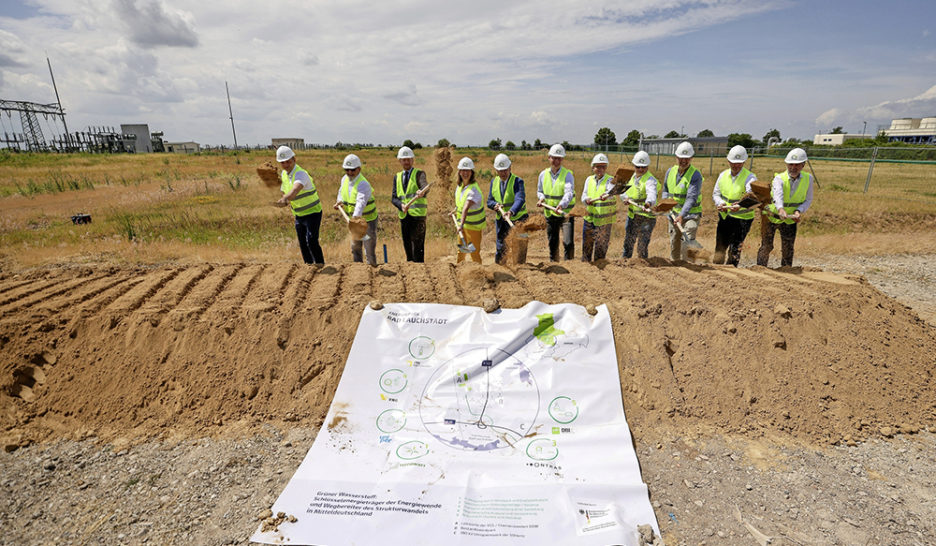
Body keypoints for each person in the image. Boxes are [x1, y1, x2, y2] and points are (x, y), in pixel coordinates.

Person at [757, 148, 814, 267]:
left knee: (788, 248)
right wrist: (780, 209)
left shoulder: (808, 179)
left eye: (797, 165)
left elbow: (808, 199)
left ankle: (787, 271)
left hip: (790, 219)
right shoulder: (779, 178)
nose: (793, 167)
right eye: (790, 164)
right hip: (771, 216)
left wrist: (799, 211)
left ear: (803, 165)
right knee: (767, 246)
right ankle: (760, 269)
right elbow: (778, 195)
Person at [273, 145, 324, 264]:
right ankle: (309, 266)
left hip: (313, 212)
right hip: (299, 214)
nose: (286, 165)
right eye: (282, 162)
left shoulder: (301, 174)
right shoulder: (284, 174)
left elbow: (295, 190)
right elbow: (285, 191)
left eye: (288, 161)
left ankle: (320, 264)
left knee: (311, 241)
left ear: (294, 159)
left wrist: (285, 198)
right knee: (303, 244)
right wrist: (284, 199)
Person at [712, 145, 757, 266]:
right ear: (728, 161)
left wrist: (740, 205)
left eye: (739, 163)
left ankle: (731, 270)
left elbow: (752, 197)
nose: (736, 165)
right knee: (720, 247)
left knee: (735, 249)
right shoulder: (723, 175)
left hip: (743, 220)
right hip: (725, 217)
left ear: (744, 162)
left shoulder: (750, 178)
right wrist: (720, 203)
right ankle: (716, 268)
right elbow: (716, 194)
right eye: (733, 162)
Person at [662, 141, 704, 261]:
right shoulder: (670, 172)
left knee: (687, 241)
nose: (684, 161)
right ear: (676, 157)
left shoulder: (695, 175)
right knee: (674, 242)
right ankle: (675, 265)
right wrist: (665, 204)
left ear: (691, 158)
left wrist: (681, 215)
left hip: (691, 215)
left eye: (687, 158)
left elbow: (691, 198)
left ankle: (688, 265)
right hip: (673, 214)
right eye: (681, 158)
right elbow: (665, 190)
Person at [334, 153, 378, 265]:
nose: (349, 172)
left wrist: (355, 219)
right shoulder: (344, 179)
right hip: (354, 221)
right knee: (355, 247)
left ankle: (371, 270)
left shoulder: (363, 184)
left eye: (352, 170)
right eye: (347, 170)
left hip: (367, 221)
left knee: (369, 249)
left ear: (359, 169)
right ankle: (358, 270)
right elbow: (341, 192)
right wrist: (339, 201)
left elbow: (360, 203)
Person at [486, 153, 528, 264]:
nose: (503, 173)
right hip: (501, 221)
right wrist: (494, 205)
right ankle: (500, 266)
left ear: (510, 168)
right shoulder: (494, 182)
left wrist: (511, 212)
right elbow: (489, 201)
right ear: (496, 170)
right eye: (500, 171)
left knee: (520, 245)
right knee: (501, 246)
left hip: (519, 219)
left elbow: (520, 199)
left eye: (505, 170)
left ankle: (520, 268)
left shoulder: (517, 181)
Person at [536, 144, 576, 261]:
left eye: (559, 158)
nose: (556, 161)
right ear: (549, 158)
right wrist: (541, 198)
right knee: (552, 242)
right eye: (554, 158)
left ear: (562, 159)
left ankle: (570, 263)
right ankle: (554, 264)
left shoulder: (567, 174)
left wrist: (562, 205)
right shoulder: (543, 174)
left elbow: (569, 192)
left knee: (568, 242)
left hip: (565, 214)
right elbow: (540, 191)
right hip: (550, 214)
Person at [391, 146, 429, 262]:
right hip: (404, 216)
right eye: (404, 160)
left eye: (408, 159)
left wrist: (422, 191)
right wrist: (401, 205)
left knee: (418, 248)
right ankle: (410, 269)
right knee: (407, 246)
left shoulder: (419, 174)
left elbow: (425, 186)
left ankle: (419, 269)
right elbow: (394, 198)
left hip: (418, 217)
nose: (406, 162)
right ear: (400, 161)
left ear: (413, 160)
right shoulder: (397, 177)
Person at [621, 150, 658, 259]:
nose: (641, 169)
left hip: (647, 218)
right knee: (628, 242)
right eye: (638, 167)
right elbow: (622, 191)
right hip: (633, 216)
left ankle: (643, 265)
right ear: (634, 166)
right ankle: (625, 262)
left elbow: (652, 193)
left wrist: (648, 203)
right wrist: (625, 198)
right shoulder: (630, 177)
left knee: (642, 245)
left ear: (648, 166)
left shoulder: (650, 180)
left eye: (644, 167)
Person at [580, 153, 616, 262]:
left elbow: (611, 192)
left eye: (603, 166)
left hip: (604, 221)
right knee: (587, 245)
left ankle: (599, 267)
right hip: (589, 219)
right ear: (593, 167)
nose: (601, 169)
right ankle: (585, 266)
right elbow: (584, 195)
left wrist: (607, 195)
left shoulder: (610, 180)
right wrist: (586, 200)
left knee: (601, 247)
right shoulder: (589, 179)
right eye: (598, 166)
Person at [453, 157, 485, 263]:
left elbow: (466, 207)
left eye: (467, 171)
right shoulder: (460, 187)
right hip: (462, 226)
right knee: (461, 251)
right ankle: (459, 269)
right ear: (459, 172)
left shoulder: (473, 189)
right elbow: (461, 204)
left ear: (472, 172)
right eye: (463, 170)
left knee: (473, 252)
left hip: (473, 228)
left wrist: (461, 225)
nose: (465, 173)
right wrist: (455, 210)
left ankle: (479, 271)